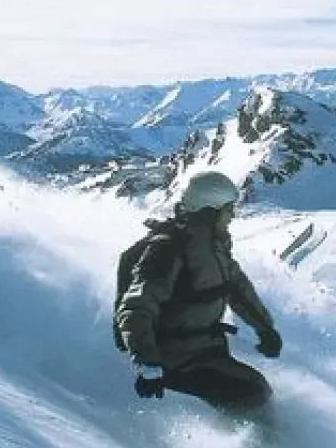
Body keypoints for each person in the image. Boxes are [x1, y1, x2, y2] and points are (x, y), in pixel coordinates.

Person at [115, 171, 283, 414]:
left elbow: (238, 288)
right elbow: (136, 306)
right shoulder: (169, 248)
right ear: (210, 211)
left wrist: (265, 329)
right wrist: (147, 362)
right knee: (253, 392)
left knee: (257, 388)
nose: (232, 215)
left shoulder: (215, 247)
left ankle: (261, 442)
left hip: (205, 350)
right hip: (174, 360)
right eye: (228, 209)